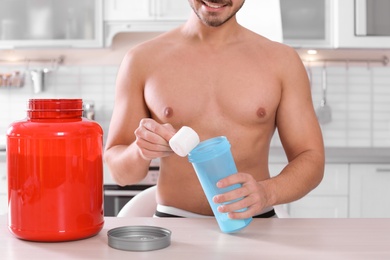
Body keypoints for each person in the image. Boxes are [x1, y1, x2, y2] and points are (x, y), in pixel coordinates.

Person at [104, 0, 325, 219]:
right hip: (176, 227)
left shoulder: (282, 61)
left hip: (255, 223)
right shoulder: (141, 60)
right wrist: (140, 150)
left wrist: (268, 193)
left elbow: (311, 160)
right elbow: (120, 173)